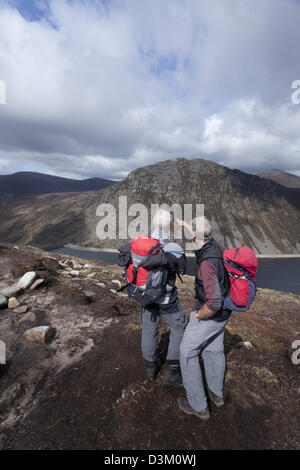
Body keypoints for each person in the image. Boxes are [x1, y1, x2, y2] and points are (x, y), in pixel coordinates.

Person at [120, 209, 188, 387]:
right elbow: (182, 270)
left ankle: (151, 367)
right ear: (170, 226)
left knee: (149, 329)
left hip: (146, 297)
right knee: (179, 328)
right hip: (167, 299)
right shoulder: (175, 248)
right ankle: (172, 372)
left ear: (152, 224)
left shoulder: (140, 245)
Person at [177, 216, 231, 420]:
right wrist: (185, 225)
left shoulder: (207, 263)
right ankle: (216, 395)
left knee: (187, 352)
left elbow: (214, 302)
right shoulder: (215, 246)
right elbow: (198, 233)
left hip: (210, 315)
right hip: (225, 314)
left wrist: (199, 315)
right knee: (214, 350)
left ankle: (198, 405)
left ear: (196, 238)